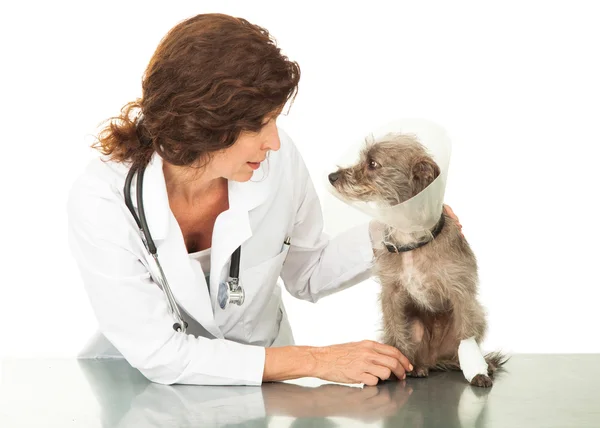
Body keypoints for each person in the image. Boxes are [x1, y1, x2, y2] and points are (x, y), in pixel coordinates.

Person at [67, 12, 462, 386]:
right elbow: (162, 354)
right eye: (259, 125)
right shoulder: (104, 199)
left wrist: (399, 229)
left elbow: (307, 273)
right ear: (202, 123)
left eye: (274, 121)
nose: (273, 141)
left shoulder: (275, 161)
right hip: (142, 395)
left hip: (262, 394)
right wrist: (316, 360)